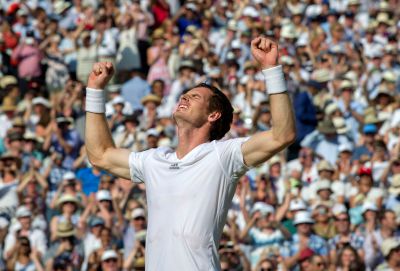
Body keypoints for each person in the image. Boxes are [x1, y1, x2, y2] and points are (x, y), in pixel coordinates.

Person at [84, 37, 296, 270]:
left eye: (195, 97)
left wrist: (272, 69)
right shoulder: (155, 160)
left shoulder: (222, 155)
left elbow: (282, 135)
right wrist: (95, 90)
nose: (184, 97)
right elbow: (100, 155)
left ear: (213, 115)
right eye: (185, 94)